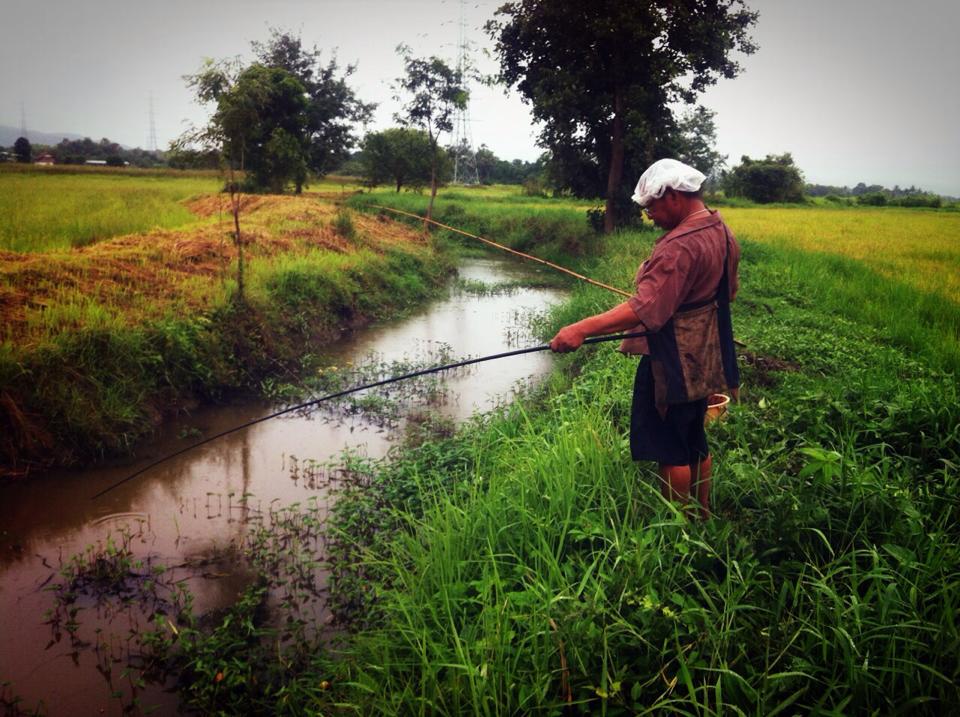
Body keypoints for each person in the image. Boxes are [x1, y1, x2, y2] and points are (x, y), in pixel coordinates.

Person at [550, 158, 740, 519]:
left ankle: (676, 529)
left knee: (671, 449)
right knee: (694, 440)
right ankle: (701, 516)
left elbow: (644, 309)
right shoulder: (721, 231)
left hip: (672, 361)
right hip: (705, 354)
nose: (649, 214)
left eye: (651, 205)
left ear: (672, 196)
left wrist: (579, 329)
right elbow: (727, 293)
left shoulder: (678, 246)